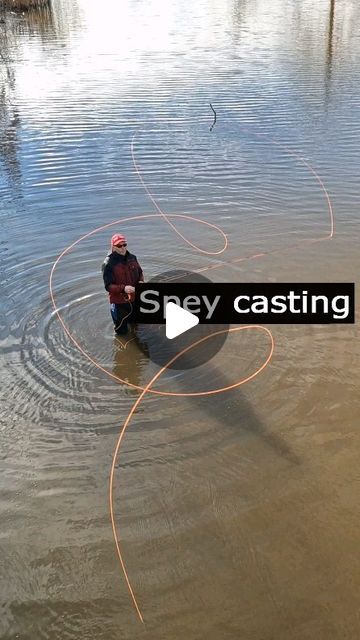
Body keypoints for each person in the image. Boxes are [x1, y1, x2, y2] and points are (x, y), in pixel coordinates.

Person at [102, 233, 144, 335]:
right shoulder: (108, 264)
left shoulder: (133, 258)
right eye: (119, 246)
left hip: (134, 299)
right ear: (113, 246)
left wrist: (141, 281)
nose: (123, 248)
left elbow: (140, 272)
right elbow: (108, 286)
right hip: (119, 304)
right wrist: (124, 288)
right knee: (121, 332)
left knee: (136, 326)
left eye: (124, 245)